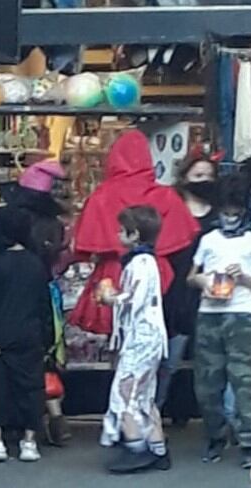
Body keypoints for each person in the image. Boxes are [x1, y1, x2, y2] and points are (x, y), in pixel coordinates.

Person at [70, 130, 199, 337]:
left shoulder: (101, 196)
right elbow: (184, 242)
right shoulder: (166, 196)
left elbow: (83, 248)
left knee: (116, 340)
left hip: (113, 273)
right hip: (159, 272)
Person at [188, 175, 251, 470]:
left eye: (235, 214)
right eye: (226, 212)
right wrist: (202, 281)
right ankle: (215, 435)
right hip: (209, 312)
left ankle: (249, 441)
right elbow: (191, 274)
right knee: (207, 383)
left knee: (243, 380)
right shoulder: (207, 239)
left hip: (243, 313)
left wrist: (243, 277)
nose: (230, 218)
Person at [0, 160, 73, 446]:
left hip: (14, 294)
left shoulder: (11, 221)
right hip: (47, 294)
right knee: (46, 354)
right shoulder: (55, 225)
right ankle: (55, 415)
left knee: (14, 356)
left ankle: (22, 422)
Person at [98, 205, 171, 474]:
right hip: (150, 337)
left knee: (125, 392)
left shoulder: (140, 263)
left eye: (122, 230)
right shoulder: (147, 262)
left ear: (135, 234)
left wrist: (110, 298)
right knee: (145, 394)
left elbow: (134, 299)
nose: (118, 234)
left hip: (141, 337)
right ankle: (157, 446)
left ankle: (136, 446)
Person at [0, 207, 53, 463]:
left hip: (0, 337)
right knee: (31, 388)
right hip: (30, 336)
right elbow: (44, 306)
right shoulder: (36, 264)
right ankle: (29, 441)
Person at [158, 152, 220, 424]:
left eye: (209, 176)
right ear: (184, 178)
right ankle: (157, 411)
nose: (204, 181)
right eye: (198, 176)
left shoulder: (219, 214)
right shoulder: (172, 208)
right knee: (169, 360)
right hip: (174, 291)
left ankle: (199, 413)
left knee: (206, 359)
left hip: (210, 293)